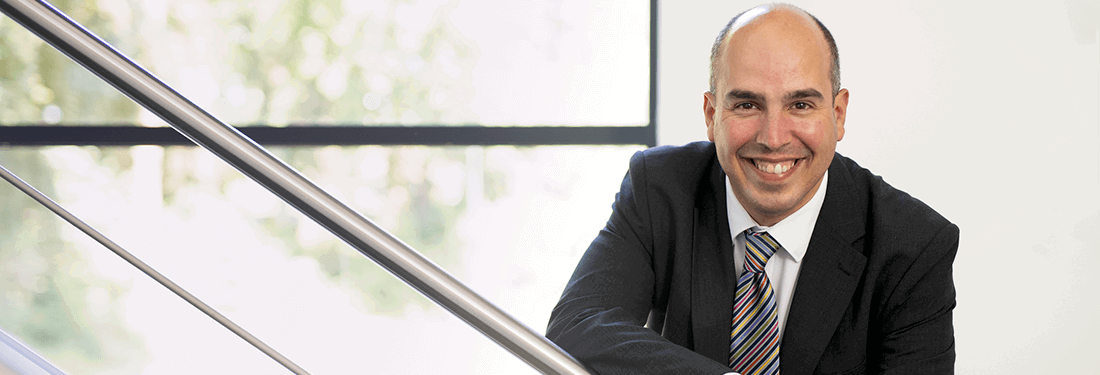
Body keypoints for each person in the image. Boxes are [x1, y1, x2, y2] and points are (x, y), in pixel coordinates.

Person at [545, 3, 958, 375]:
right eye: (747, 105)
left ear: (838, 113)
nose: (774, 138)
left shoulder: (914, 245)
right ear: (711, 115)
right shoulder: (660, 187)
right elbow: (578, 325)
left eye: (800, 104)